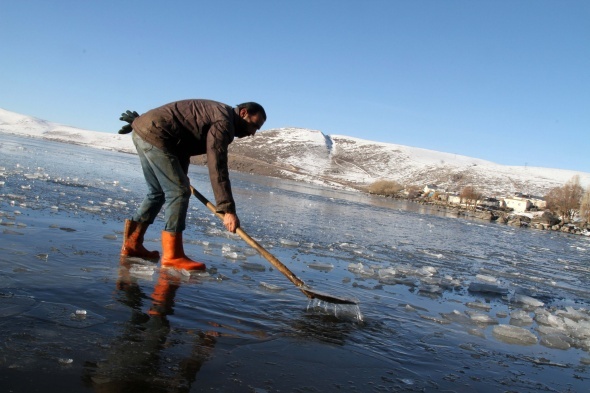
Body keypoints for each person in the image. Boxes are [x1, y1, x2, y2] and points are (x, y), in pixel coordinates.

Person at [119, 99, 266, 271]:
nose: (253, 133)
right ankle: (172, 256)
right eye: (254, 126)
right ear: (243, 113)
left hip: (145, 131)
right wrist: (228, 210)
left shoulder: (219, 115)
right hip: (157, 135)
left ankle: (132, 244)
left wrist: (181, 173)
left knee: (157, 192)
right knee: (179, 192)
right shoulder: (224, 123)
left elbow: (184, 144)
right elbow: (217, 164)